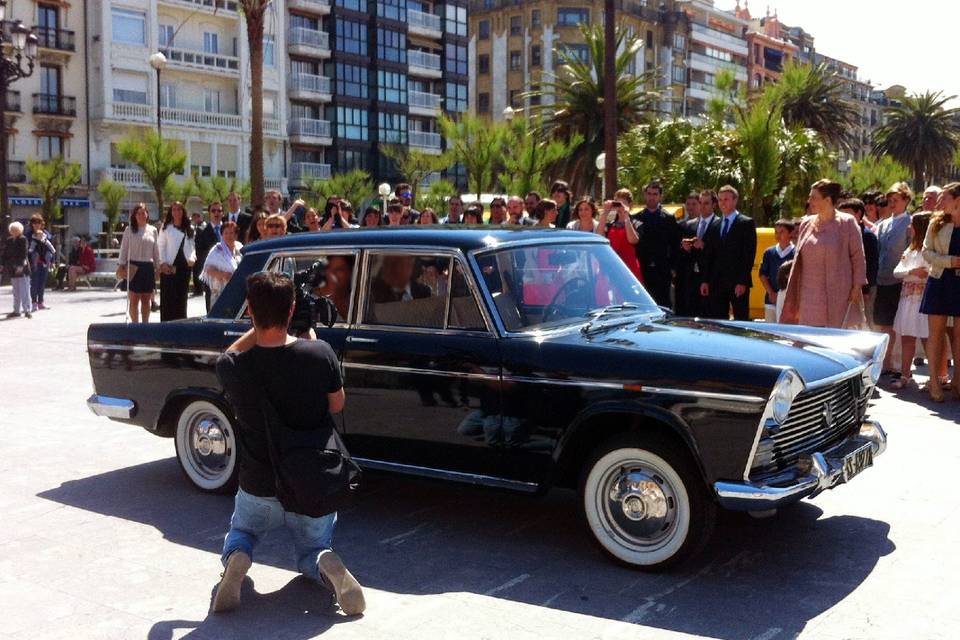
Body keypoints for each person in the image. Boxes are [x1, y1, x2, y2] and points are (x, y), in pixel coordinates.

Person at [214, 272, 364, 615]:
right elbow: (337, 404)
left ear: (249, 310)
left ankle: (239, 556)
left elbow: (229, 354)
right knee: (312, 550)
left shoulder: (235, 368)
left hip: (259, 482)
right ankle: (322, 561)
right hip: (311, 481)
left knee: (242, 532)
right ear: (293, 308)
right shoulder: (320, 352)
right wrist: (308, 338)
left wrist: (260, 322)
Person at [781, 180, 866, 328]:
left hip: (839, 293)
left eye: (814, 198)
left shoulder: (847, 223)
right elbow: (797, 259)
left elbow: (858, 257)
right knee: (808, 337)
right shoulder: (806, 223)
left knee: (834, 339)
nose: (809, 201)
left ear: (827, 200)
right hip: (808, 296)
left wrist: (857, 286)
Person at [920, 182, 960, 402]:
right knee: (935, 334)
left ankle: (958, 381)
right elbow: (926, 251)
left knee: (959, 336)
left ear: (957, 200)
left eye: (944, 197)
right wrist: (949, 261)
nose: (939, 202)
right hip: (939, 280)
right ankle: (934, 382)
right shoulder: (936, 223)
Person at [699, 185, 757, 321]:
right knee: (718, 321)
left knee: (740, 319)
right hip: (717, 283)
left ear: (735, 201)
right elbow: (709, 255)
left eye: (726, 199)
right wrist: (705, 281)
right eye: (720, 200)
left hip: (737, 283)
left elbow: (748, 254)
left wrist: (742, 281)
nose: (722, 203)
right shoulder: (715, 225)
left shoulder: (746, 223)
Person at [875, 182, 914, 375]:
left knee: (901, 325)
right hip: (883, 280)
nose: (892, 204)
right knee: (884, 323)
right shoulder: (883, 224)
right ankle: (886, 362)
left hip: (901, 281)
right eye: (889, 200)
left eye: (896, 200)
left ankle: (900, 365)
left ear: (906, 200)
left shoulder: (910, 223)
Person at [890, 213, 933, 390]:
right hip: (908, 300)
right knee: (907, 337)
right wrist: (912, 272)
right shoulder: (910, 250)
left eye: (912, 225)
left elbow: (927, 273)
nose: (909, 228)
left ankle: (935, 377)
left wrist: (913, 273)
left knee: (927, 338)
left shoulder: (928, 251)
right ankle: (905, 374)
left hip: (922, 301)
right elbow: (897, 272)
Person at [632, 181, 680, 308]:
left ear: (660, 196)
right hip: (642, 269)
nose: (651, 197)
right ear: (644, 195)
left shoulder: (669, 219)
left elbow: (675, 244)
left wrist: (673, 268)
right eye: (649, 194)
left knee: (663, 305)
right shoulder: (635, 218)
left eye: (655, 194)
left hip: (663, 270)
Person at [838, 198, 880, 326]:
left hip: (864, 289)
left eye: (847, 213)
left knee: (865, 320)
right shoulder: (840, 234)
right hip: (844, 287)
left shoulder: (867, 236)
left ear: (858, 213)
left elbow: (872, 265)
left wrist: (865, 289)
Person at [676, 190, 716, 317]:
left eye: (706, 203)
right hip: (691, 279)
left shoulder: (719, 224)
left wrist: (704, 246)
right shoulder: (689, 225)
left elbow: (721, 252)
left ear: (714, 205)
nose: (702, 206)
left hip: (711, 279)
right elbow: (683, 255)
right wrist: (686, 249)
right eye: (701, 203)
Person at [118, 204, 160, 323]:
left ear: (147, 215)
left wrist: (158, 268)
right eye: (138, 213)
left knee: (146, 299)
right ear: (134, 216)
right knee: (134, 300)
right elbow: (124, 249)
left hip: (147, 267)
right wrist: (121, 265)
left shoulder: (153, 230)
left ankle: (145, 325)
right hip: (133, 266)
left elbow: (156, 251)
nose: (141, 215)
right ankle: (135, 325)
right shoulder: (129, 230)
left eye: (143, 213)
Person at [158, 201, 197, 322]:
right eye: (174, 209)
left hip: (183, 267)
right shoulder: (166, 227)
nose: (176, 212)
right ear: (171, 212)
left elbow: (192, 246)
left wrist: (192, 258)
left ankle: (180, 324)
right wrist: (163, 263)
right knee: (167, 299)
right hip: (168, 267)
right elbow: (161, 246)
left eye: (179, 209)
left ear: (183, 212)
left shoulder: (189, 228)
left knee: (181, 299)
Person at [758, 219, 796, 322]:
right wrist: (771, 293)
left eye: (782, 232)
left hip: (789, 301)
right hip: (771, 300)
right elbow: (762, 274)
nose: (778, 235)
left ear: (791, 233)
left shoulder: (796, 253)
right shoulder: (769, 252)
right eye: (776, 232)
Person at [597, 198, 643, 282]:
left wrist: (626, 216)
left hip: (630, 269)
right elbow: (599, 236)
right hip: (614, 268)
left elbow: (633, 240)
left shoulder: (636, 223)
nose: (621, 207)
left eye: (623, 203)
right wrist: (606, 212)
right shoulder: (611, 225)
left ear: (630, 205)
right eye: (618, 204)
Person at [200, 220, 243, 307]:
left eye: (231, 233)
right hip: (220, 293)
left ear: (236, 235)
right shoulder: (217, 250)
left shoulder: (240, 248)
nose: (228, 235)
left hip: (237, 292)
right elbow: (208, 269)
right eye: (226, 233)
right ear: (222, 235)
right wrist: (223, 274)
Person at [195, 202, 224, 311]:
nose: (216, 213)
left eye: (219, 211)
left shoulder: (228, 229)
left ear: (223, 213)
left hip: (227, 274)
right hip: (211, 274)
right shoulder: (202, 231)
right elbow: (200, 254)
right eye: (213, 211)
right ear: (209, 213)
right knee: (211, 307)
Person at [26, 214, 56, 311]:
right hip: (33, 262)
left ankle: (41, 302)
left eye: (39, 222)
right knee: (34, 282)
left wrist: (52, 261)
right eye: (35, 222)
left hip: (45, 261)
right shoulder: (28, 235)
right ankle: (34, 302)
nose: (37, 224)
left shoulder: (46, 234)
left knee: (42, 282)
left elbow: (51, 248)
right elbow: (27, 250)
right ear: (32, 224)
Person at [2, 221, 31, 318]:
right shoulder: (9, 240)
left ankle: (27, 310)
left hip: (21, 267)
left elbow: (24, 253)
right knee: (16, 290)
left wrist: (20, 266)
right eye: (12, 230)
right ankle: (16, 310)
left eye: (16, 230)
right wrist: (2, 264)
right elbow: (4, 254)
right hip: (12, 268)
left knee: (24, 289)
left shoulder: (23, 239)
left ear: (20, 230)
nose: (13, 231)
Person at [190, 212, 208, 297]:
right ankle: (197, 288)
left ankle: (200, 288)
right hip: (196, 251)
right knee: (195, 270)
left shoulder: (203, 226)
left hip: (202, 253)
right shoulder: (195, 227)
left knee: (199, 270)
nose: (193, 220)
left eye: (195, 217)